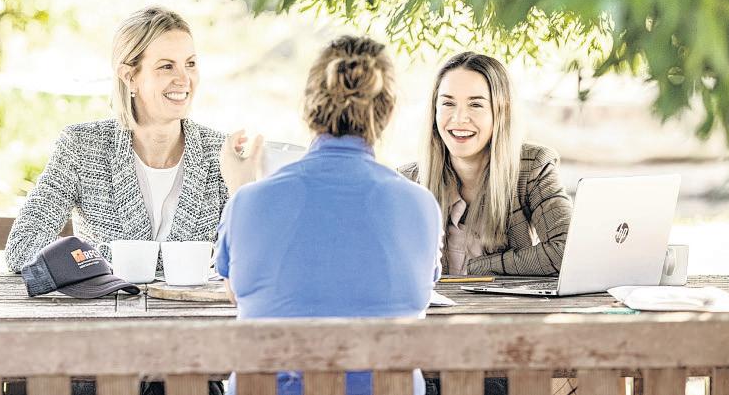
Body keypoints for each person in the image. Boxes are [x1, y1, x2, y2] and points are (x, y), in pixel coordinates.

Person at [217, 35, 443, 395]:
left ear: (309, 106)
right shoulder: (420, 205)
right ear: (387, 112)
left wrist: (240, 188)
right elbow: (417, 293)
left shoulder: (248, 201)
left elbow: (238, 293)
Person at [5, 6, 228, 275]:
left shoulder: (221, 153)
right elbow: (22, 247)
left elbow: (255, 256)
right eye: (166, 66)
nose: (184, 79)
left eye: (190, 64)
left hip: (193, 304)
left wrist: (244, 186)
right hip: (107, 303)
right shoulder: (81, 147)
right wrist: (106, 260)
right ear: (130, 77)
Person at [400, 51, 572, 277]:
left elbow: (567, 250)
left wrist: (479, 268)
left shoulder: (533, 167)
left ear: (501, 111)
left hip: (505, 301)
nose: (459, 118)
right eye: (448, 103)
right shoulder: (407, 181)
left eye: (475, 105)